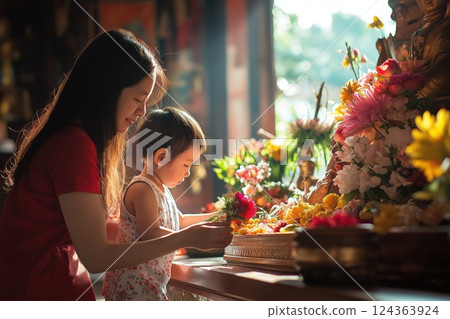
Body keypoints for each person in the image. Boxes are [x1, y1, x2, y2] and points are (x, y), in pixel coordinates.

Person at [0, 29, 232, 301]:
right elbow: (96, 256)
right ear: (107, 89)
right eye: (137, 99)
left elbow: (101, 230)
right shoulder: (73, 145)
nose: (142, 112)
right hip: (38, 289)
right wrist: (184, 238)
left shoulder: (75, 140)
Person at [102, 106, 220, 301]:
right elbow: (151, 232)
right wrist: (190, 238)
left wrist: (216, 217)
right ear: (161, 157)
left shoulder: (161, 189)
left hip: (151, 285)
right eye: (186, 164)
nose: (188, 173)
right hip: (132, 289)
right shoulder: (143, 189)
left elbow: (179, 220)